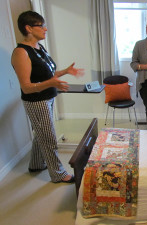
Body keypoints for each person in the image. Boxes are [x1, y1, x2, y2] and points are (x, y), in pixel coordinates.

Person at [11, 11, 84, 183]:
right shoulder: (21, 53)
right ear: (28, 28)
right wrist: (52, 83)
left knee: (41, 133)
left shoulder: (39, 48)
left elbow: (47, 75)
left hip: (47, 98)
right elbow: (27, 87)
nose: (45, 29)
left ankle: (36, 164)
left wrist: (65, 71)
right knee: (49, 137)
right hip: (36, 101)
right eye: (41, 26)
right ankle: (58, 174)